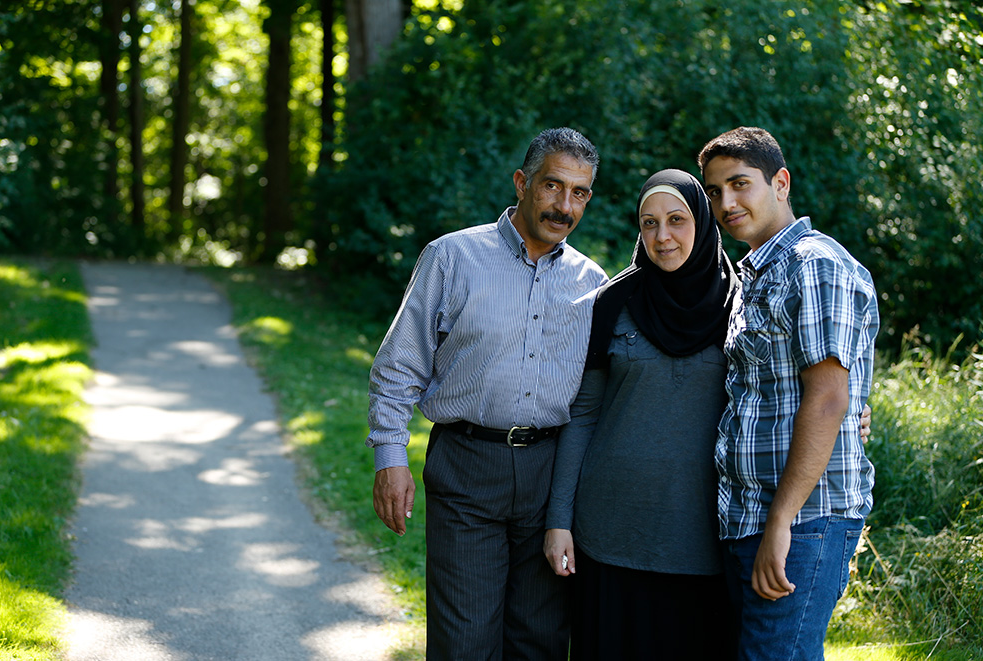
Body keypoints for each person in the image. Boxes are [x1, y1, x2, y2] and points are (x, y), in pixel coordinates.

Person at [366, 127, 608, 660]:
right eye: (552, 186)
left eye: (580, 192)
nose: (564, 205)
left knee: (540, 642)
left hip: (551, 475)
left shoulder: (592, 284)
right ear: (522, 183)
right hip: (466, 467)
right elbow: (398, 364)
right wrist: (390, 456)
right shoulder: (452, 258)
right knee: (465, 642)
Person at [544, 168, 740, 659]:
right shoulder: (614, 301)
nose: (662, 236)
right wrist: (559, 520)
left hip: (704, 540)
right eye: (648, 223)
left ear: (702, 221)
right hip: (608, 537)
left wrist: (850, 414)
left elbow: (787, 389)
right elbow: (582, 416)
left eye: (676, 220)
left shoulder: (741, 302)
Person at [698, 126, 878, 660]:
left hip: (803, 521)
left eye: (739, 184)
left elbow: (828, 398)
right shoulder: (755, 274)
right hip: (748, 516)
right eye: (714, 191)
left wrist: (781, 523)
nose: (726, 203)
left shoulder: (814, 265)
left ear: (780, 182)